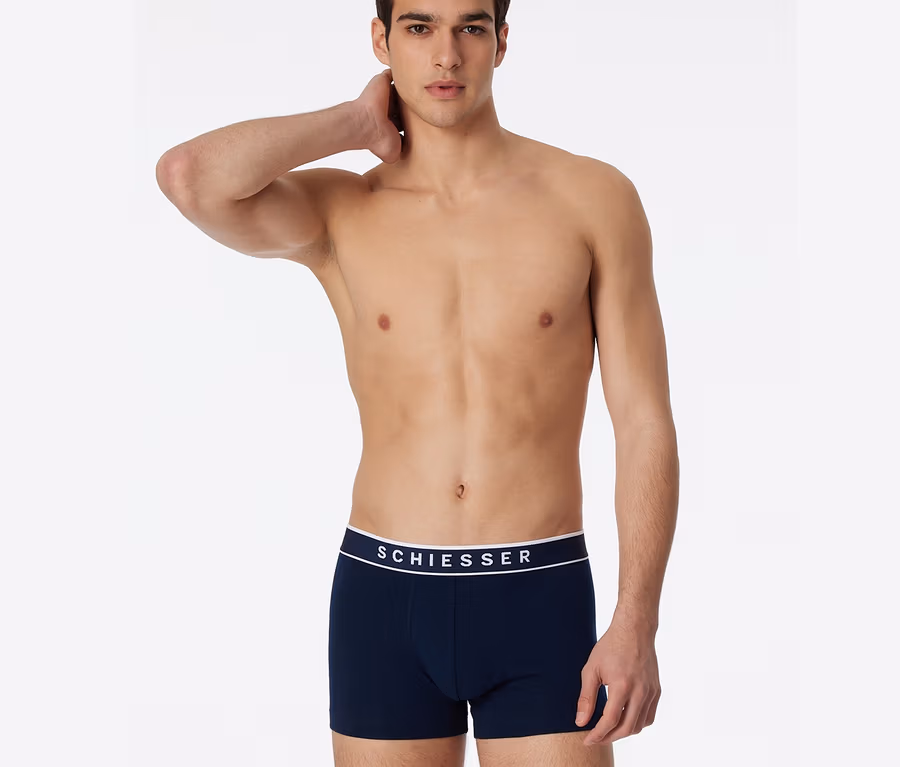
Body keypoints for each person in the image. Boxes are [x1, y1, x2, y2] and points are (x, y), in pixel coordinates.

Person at [155, 1, 679, 764]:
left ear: (501, 42)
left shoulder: (591, 198)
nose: (446, 55)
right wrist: (352, 123)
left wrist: (637, 619)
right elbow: (188, 177)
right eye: (419, 27)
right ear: (382, 40)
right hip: (384, 593)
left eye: (470, 28)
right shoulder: (341, 209)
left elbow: (643, 420)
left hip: (538, 588)